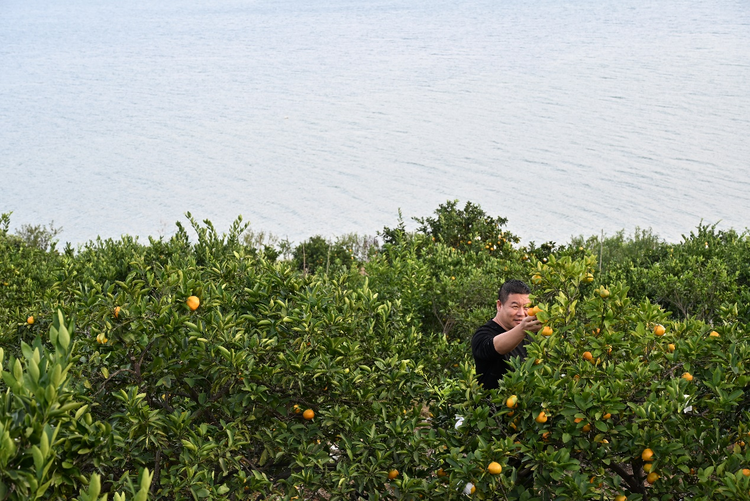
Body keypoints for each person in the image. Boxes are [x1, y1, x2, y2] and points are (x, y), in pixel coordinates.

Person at [471, 279, 542, 390]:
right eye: (515, 307)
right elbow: (495, 347)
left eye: (526, 307)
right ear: (499, 305)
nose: (521, 313)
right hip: (494, 406)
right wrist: (522, 329)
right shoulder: (482, 335)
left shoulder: (532, 333)